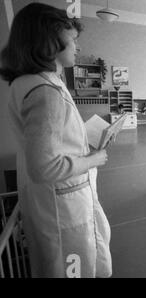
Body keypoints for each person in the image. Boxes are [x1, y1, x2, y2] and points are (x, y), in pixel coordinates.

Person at [0, 3, 111, 277]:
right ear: (49, 42)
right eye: (72, 40)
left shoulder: (29, 81)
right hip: (62, 205)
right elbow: (44, 168)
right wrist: (93, 159)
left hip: (51, 200)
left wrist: (83, 137)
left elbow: (48, 136)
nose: (77, 47)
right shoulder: (45, 92)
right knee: (73, 264)